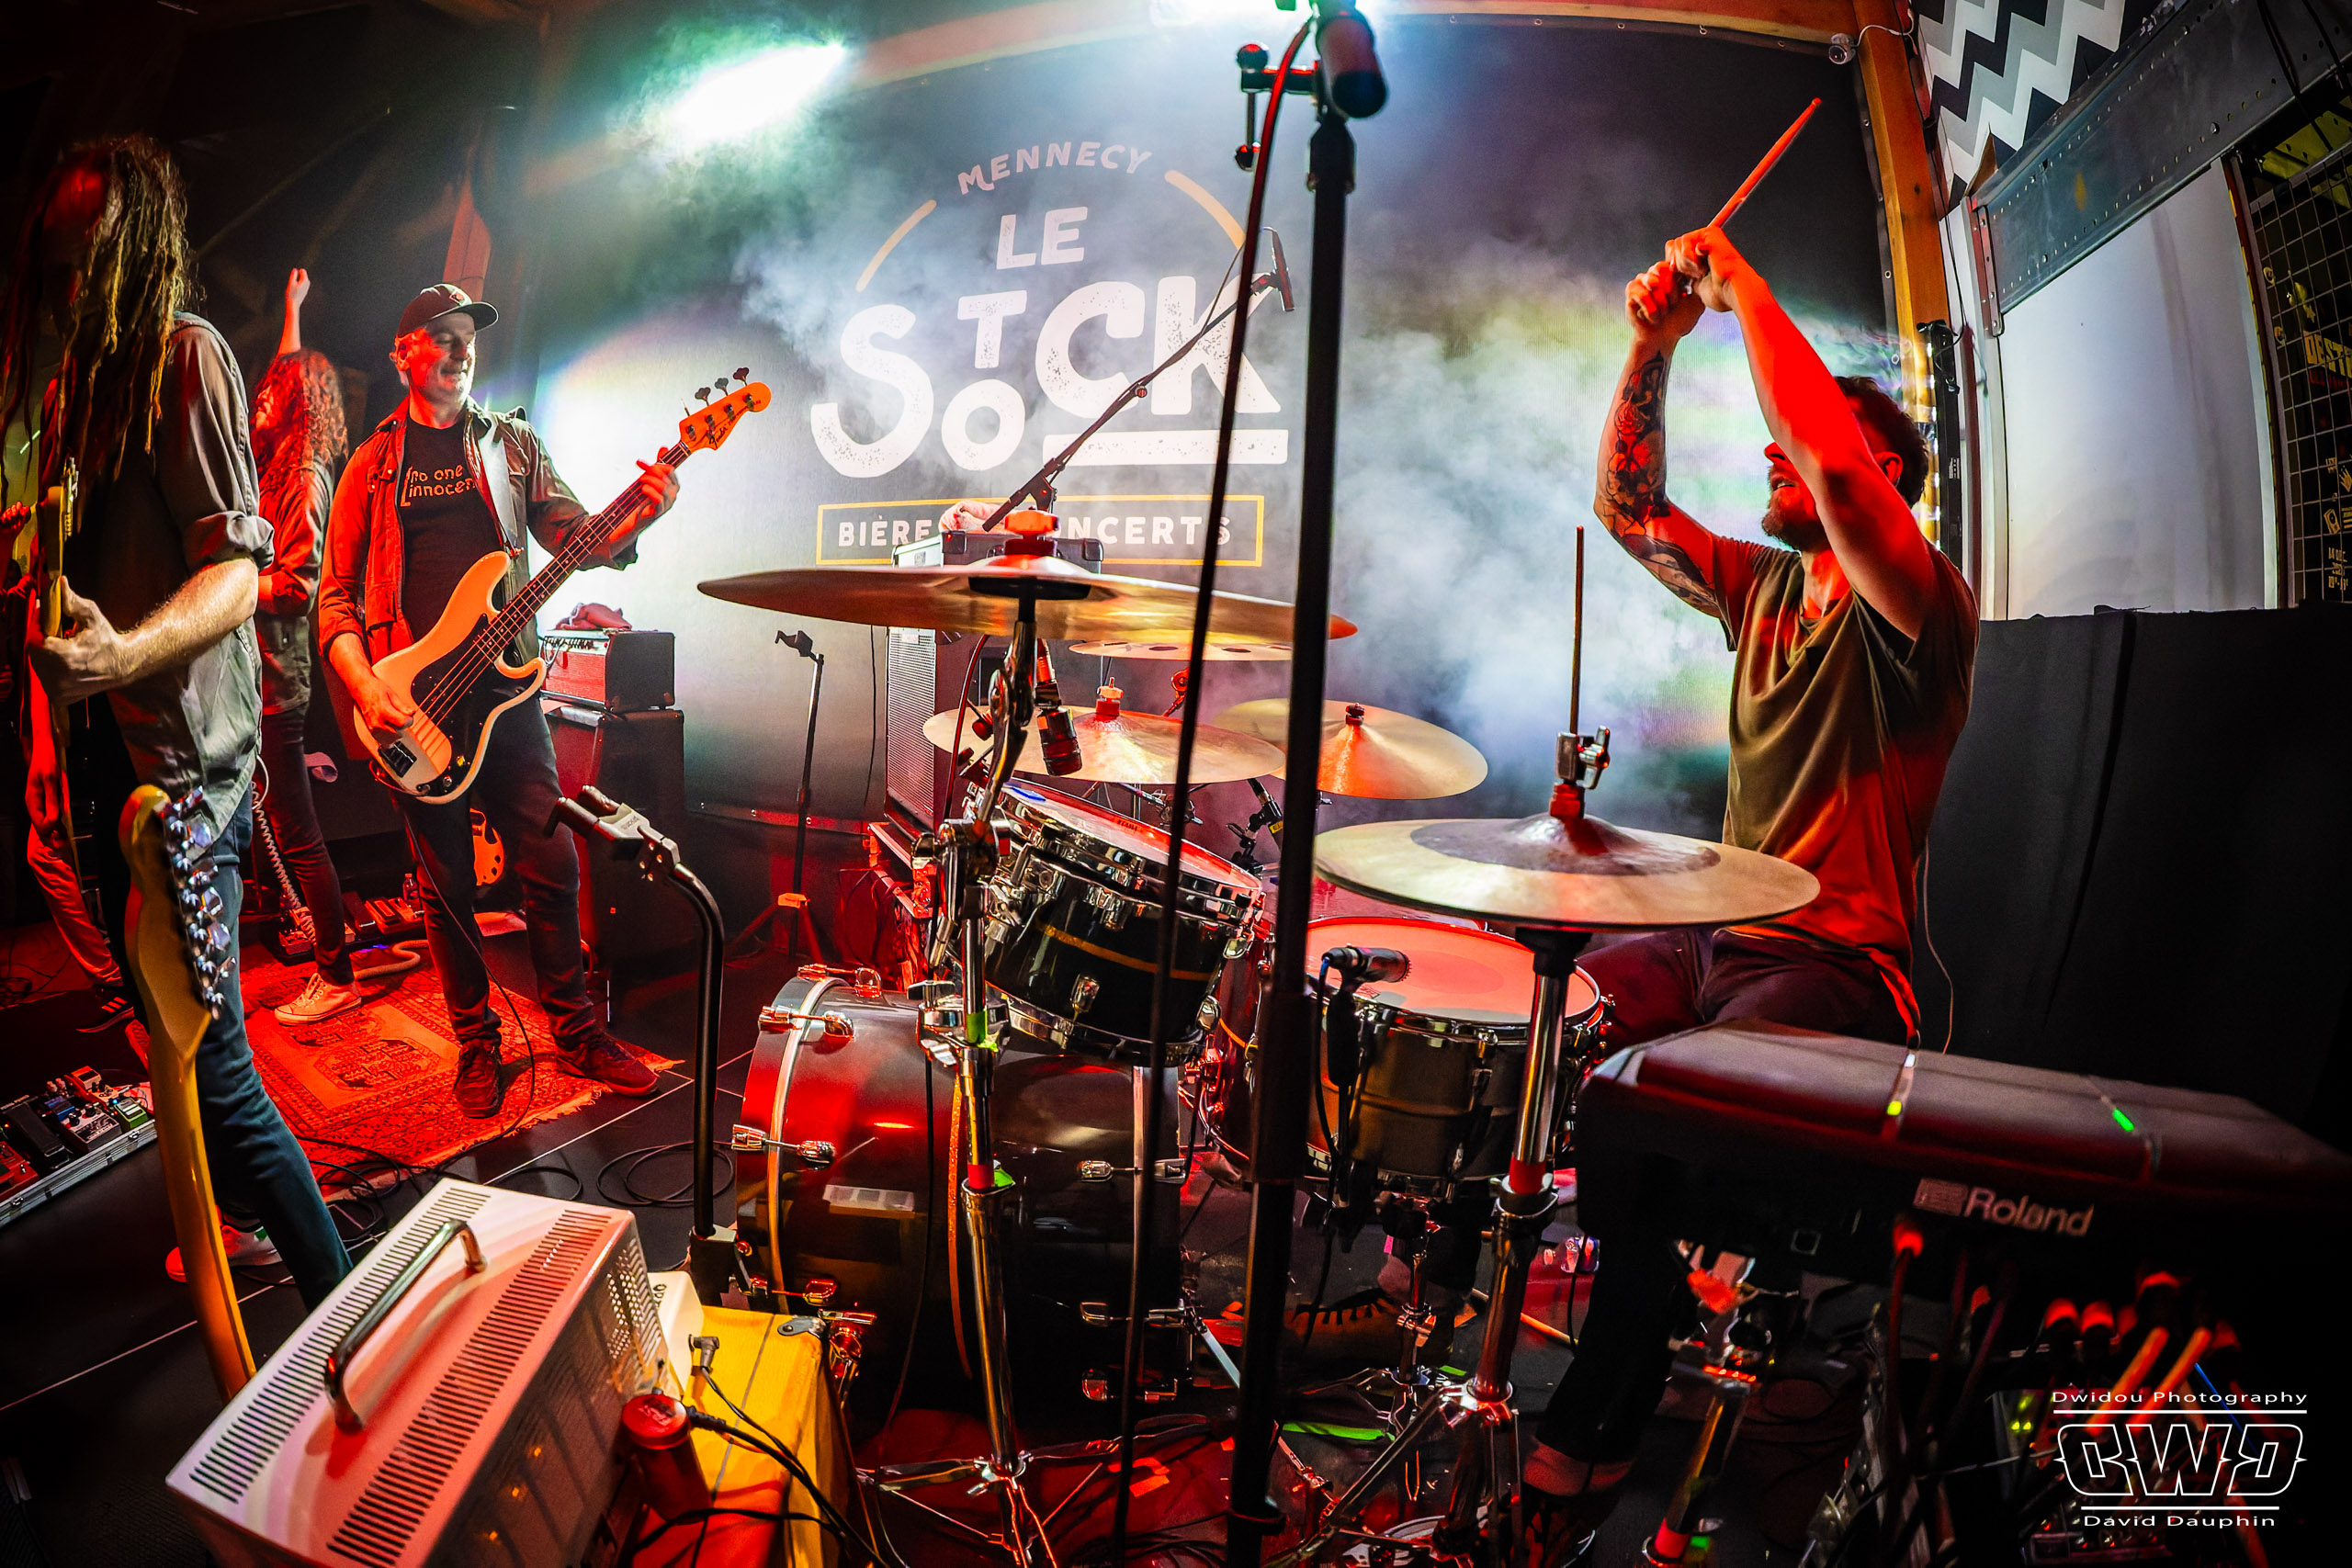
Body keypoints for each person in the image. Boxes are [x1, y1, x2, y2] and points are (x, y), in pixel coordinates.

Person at [1516, 227, 1978, 1561]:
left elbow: (1826, 457)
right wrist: (1650, 345)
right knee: (1562, 1017)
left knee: (1665, 1102)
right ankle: (1584, 1291)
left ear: (1880, 482)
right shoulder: (1764, 586)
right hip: (1715, 939)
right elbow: (1631, 511)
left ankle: (1598, 1412)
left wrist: (1739, 287)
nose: (1773, 457)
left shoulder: (1921, 608)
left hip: (1833, 966)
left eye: (1800, 450)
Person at [2, 135, 351, 1306]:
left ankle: (343, 1317)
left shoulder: (182, 354)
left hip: (184, 779)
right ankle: (242, 1229)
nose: (70, 280)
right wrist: (48, 744)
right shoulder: (74, 389)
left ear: (140, 244)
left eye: (90, 253)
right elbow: (58, 600)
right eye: (56, 258)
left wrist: (120, 657)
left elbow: (240, 574)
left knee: (219, 1069)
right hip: (107, 771)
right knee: (173, 1043)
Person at [316, 284, 678, 1119]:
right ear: (404, 353)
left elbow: (579, 540)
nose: (460, 350)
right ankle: (476, 1041)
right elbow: (334, 598)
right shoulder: (371, 466)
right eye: (441, 337)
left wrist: (643, 515)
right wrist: (366, 686)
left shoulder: (512, 445)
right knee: (447, 889)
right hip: (416, 705)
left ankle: (577, 1032)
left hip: (509, 690)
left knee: (552, 866)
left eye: (468, 338)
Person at [250, 265, 359, 1026]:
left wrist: (228, 585)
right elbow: (289, 363)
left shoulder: (304, 475)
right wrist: (291, 306)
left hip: (279, 682)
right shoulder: (276, 467)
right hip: (255, 676)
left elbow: (295, 585)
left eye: (270, 392)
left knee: (298, 832)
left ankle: (336, 971)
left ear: (298, 402)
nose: (257, 401)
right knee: (282, 824)